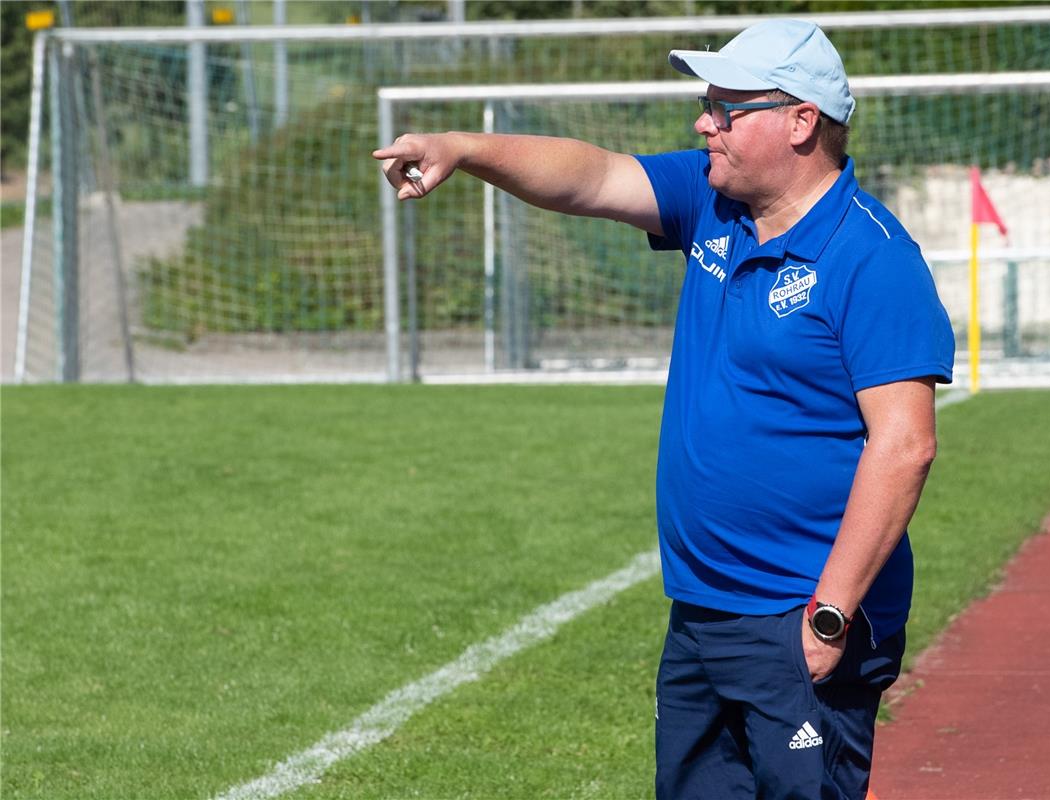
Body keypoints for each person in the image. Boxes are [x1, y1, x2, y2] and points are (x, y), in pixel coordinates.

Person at [373, 18, 954, 800]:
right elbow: (588, 177)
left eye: (724, 107)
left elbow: (904, 446)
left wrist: (829, 617)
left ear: (800, 121)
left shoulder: (873, 257)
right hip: (702, 610)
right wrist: (464, 148)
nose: (702, 122)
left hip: (800, 616)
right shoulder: (710, 205)